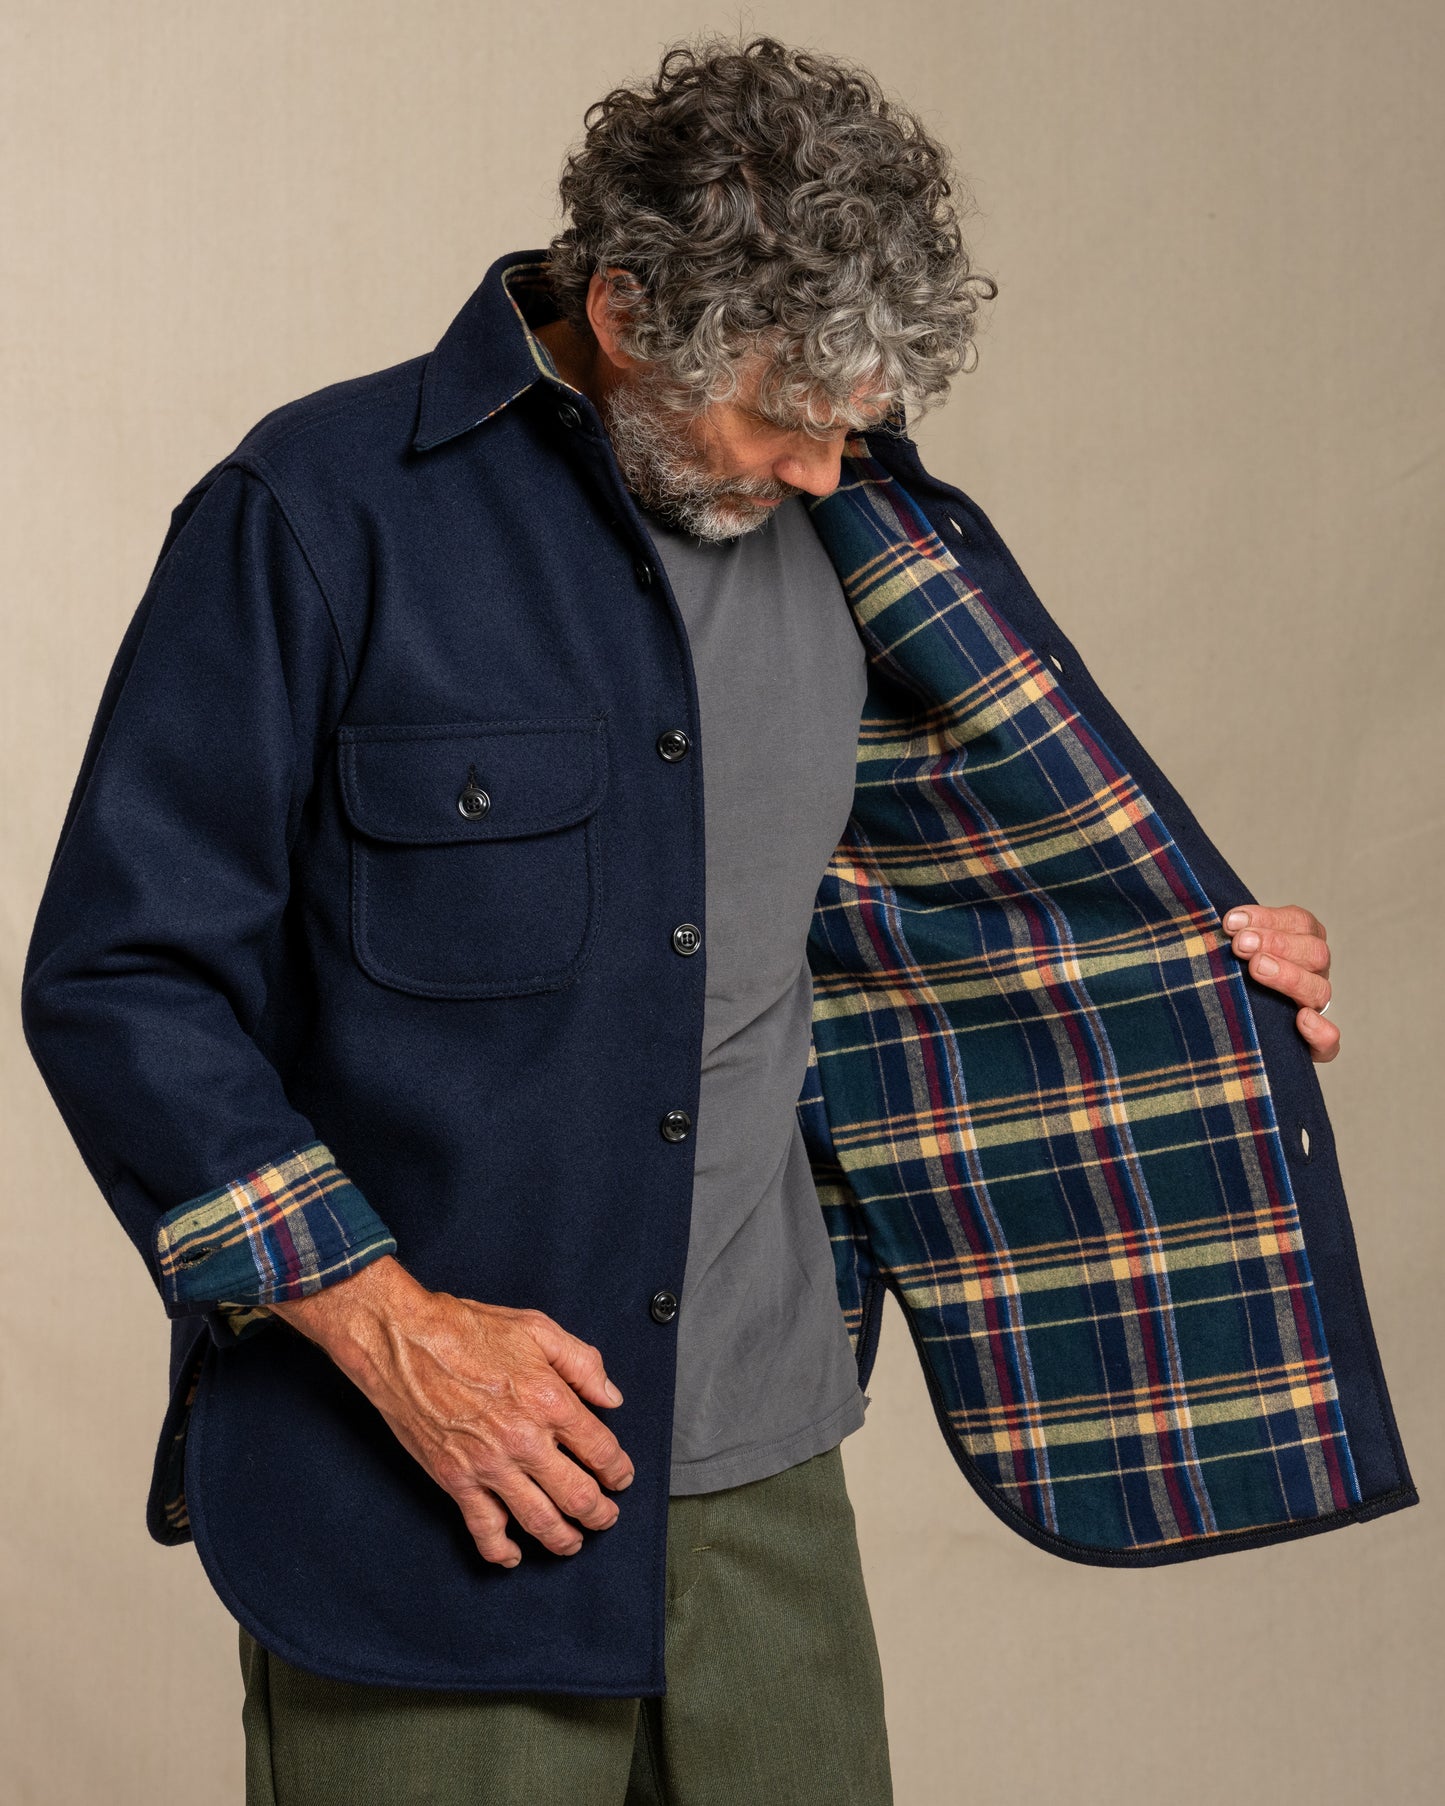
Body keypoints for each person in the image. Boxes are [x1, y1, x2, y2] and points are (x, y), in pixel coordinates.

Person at [20, 33, 1415, 1806]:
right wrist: (384, 1323)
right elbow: (125, 975)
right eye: (784, 409)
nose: (826, 463)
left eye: (855, 417)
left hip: (766, 1475)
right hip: (421, 1478)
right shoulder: (317, 513)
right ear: (624, 310)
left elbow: (922, 907)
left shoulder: (865, 535)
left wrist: (1195, 964)